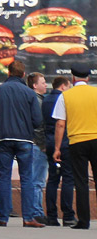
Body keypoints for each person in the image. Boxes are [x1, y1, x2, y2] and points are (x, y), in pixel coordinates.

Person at [0, 59, 44, 227]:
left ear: (8, 72)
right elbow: (37, 120)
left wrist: (2, 124)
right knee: (27, 178)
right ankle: (28, 218)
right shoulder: (29, 93)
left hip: (3, 138)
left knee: (4, 176)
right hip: (25, 139)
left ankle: (3, 217)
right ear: (23, 74)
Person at [52, 66, 97, 230]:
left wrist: (57, 148)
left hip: (77, 142)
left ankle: (84, 221)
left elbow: (60, 124)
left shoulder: (65, 96)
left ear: (73, 78)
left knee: (81, 182)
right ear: (88, 78)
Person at [43, 76, 75, 226]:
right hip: (65, 141)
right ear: (63, 86)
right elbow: (61, 124)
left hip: (49, 142)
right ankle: (68, 215)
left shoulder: (45, 100)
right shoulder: (66, 99)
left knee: (53, 179)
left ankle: (51, 216)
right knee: (68, 178)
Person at [28, 72, 50, 224]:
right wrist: (43, 145)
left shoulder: (29, 99)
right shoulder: (38, 102)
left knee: (33, 178)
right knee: (38, 180)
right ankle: (37, 211)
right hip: (38, 145)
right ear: (35, 85)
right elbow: (39, 126)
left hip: (30, 143)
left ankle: (33, 210)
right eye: (43, 82)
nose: (46, 85)